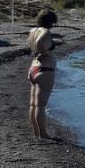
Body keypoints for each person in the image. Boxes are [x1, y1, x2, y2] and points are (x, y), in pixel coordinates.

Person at [27, 10, 59, 139]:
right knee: (40, 105)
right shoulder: (45, 32)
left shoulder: (32, 31)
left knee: (33, 104)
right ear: (51, 21)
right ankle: (43, 134)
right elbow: (40, 42)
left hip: (33, 68)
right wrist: (45, 53)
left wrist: (40, 51)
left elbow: (33, 44)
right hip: (44, 70)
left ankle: (36, 132)